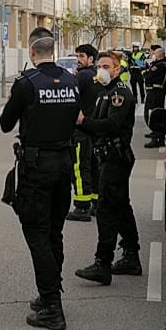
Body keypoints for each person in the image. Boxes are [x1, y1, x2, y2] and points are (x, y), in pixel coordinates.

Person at [0, 32, 81, 330]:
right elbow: (75, 118)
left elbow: (6, 125)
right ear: (53, 51)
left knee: (36, 233)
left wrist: (13, 99)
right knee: (54, 232)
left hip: (36, 168)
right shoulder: (72, 81)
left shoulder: (26, 84)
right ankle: (51, 292)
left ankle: (51, 307)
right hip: (63, 164)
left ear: (33, 52)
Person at [75, 50, 140, 285]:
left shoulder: (119, 94)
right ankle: (131, 255)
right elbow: (95, 126)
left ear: (117, 69)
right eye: (99, 66)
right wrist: (80, 124)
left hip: (116, 158)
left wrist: (83, 121)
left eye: (106, 66)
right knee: (121, 207)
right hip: (108, 157)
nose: (101, 70)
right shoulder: (105, 92)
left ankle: (103, 263)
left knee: (105, 210)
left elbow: (110, 125)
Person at [67, 43, 104, 222]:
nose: (78, 60)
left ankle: (82, 207)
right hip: (94, 128)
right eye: (77, 56)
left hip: (80, 130)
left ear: (91, 59)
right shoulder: (99, 76)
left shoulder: (81, 76)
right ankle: (96, 203)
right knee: (94, 167)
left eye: (81, 56)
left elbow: (70, 100)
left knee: (80, 168)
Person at [143, 47, 166, 148]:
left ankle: (158, 138)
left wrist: (146, 73)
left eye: (154, 53)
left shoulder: (161, 66)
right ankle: (155, 133)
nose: (153, 54)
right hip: (154, 93)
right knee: (151, 113)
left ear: (159, 55)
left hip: (156, 93)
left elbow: (148, 75)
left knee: (154, 114)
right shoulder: (158, 64)